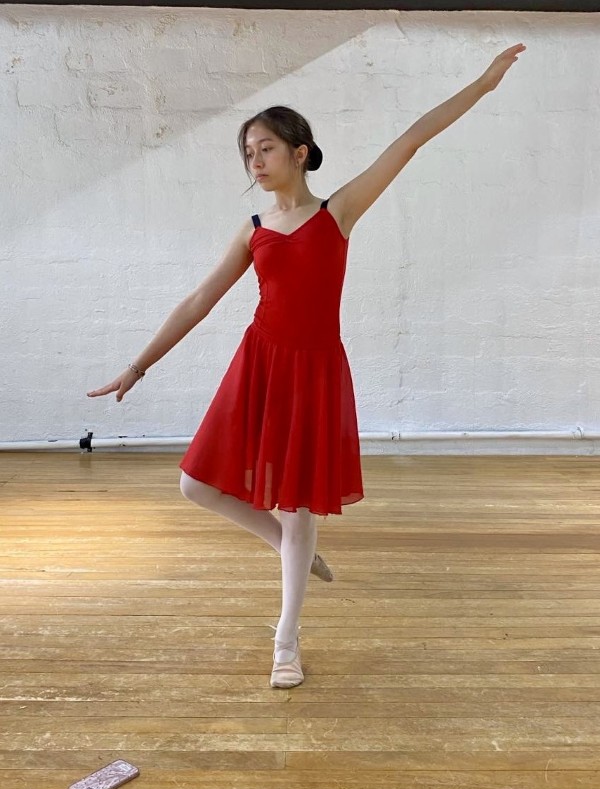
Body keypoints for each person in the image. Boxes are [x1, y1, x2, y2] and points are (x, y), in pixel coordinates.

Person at [87, 43, 526, 688]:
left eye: (264, 148)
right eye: (247, 153)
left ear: (298, 152)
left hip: (315, 372)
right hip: (260, 364)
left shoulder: (336, 213)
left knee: (299, 512)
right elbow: (200, 300)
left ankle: (286, 642)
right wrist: (138, 366)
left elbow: (411, 139)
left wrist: (485, 84)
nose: (254, 161)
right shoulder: (252, 229)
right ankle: (293, 549)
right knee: (195, 485)